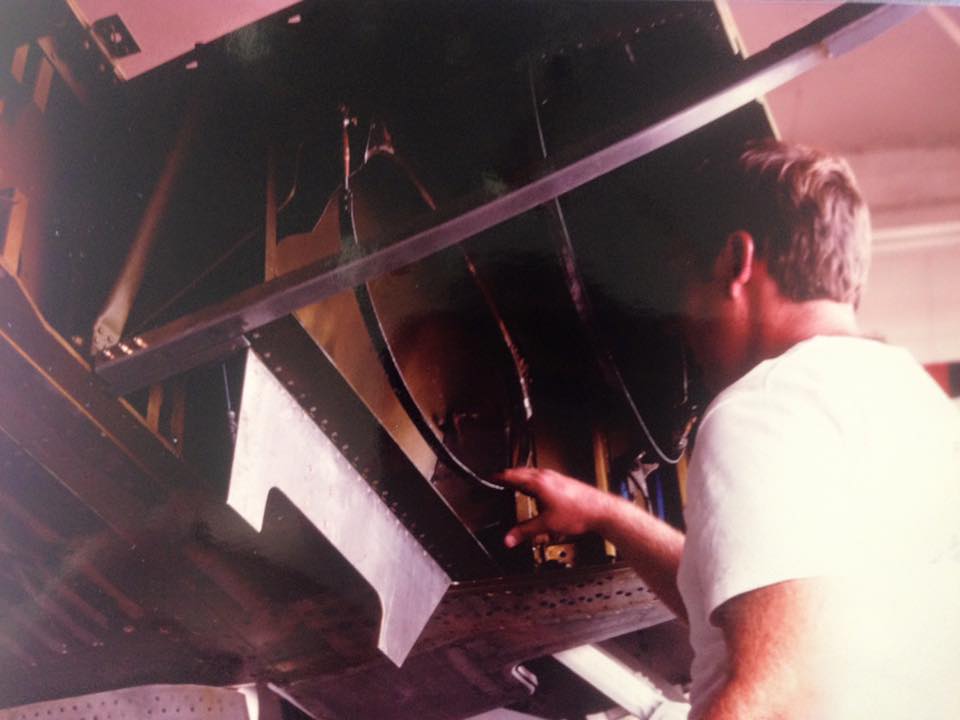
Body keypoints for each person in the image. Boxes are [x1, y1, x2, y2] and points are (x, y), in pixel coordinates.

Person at [497, 140, 960, 719]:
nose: (680, 321)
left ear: (736, 260)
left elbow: (776, 698)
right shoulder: (914, 402)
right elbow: (768, 604)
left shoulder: (765, 406)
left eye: (682, 281)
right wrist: (608, 514)